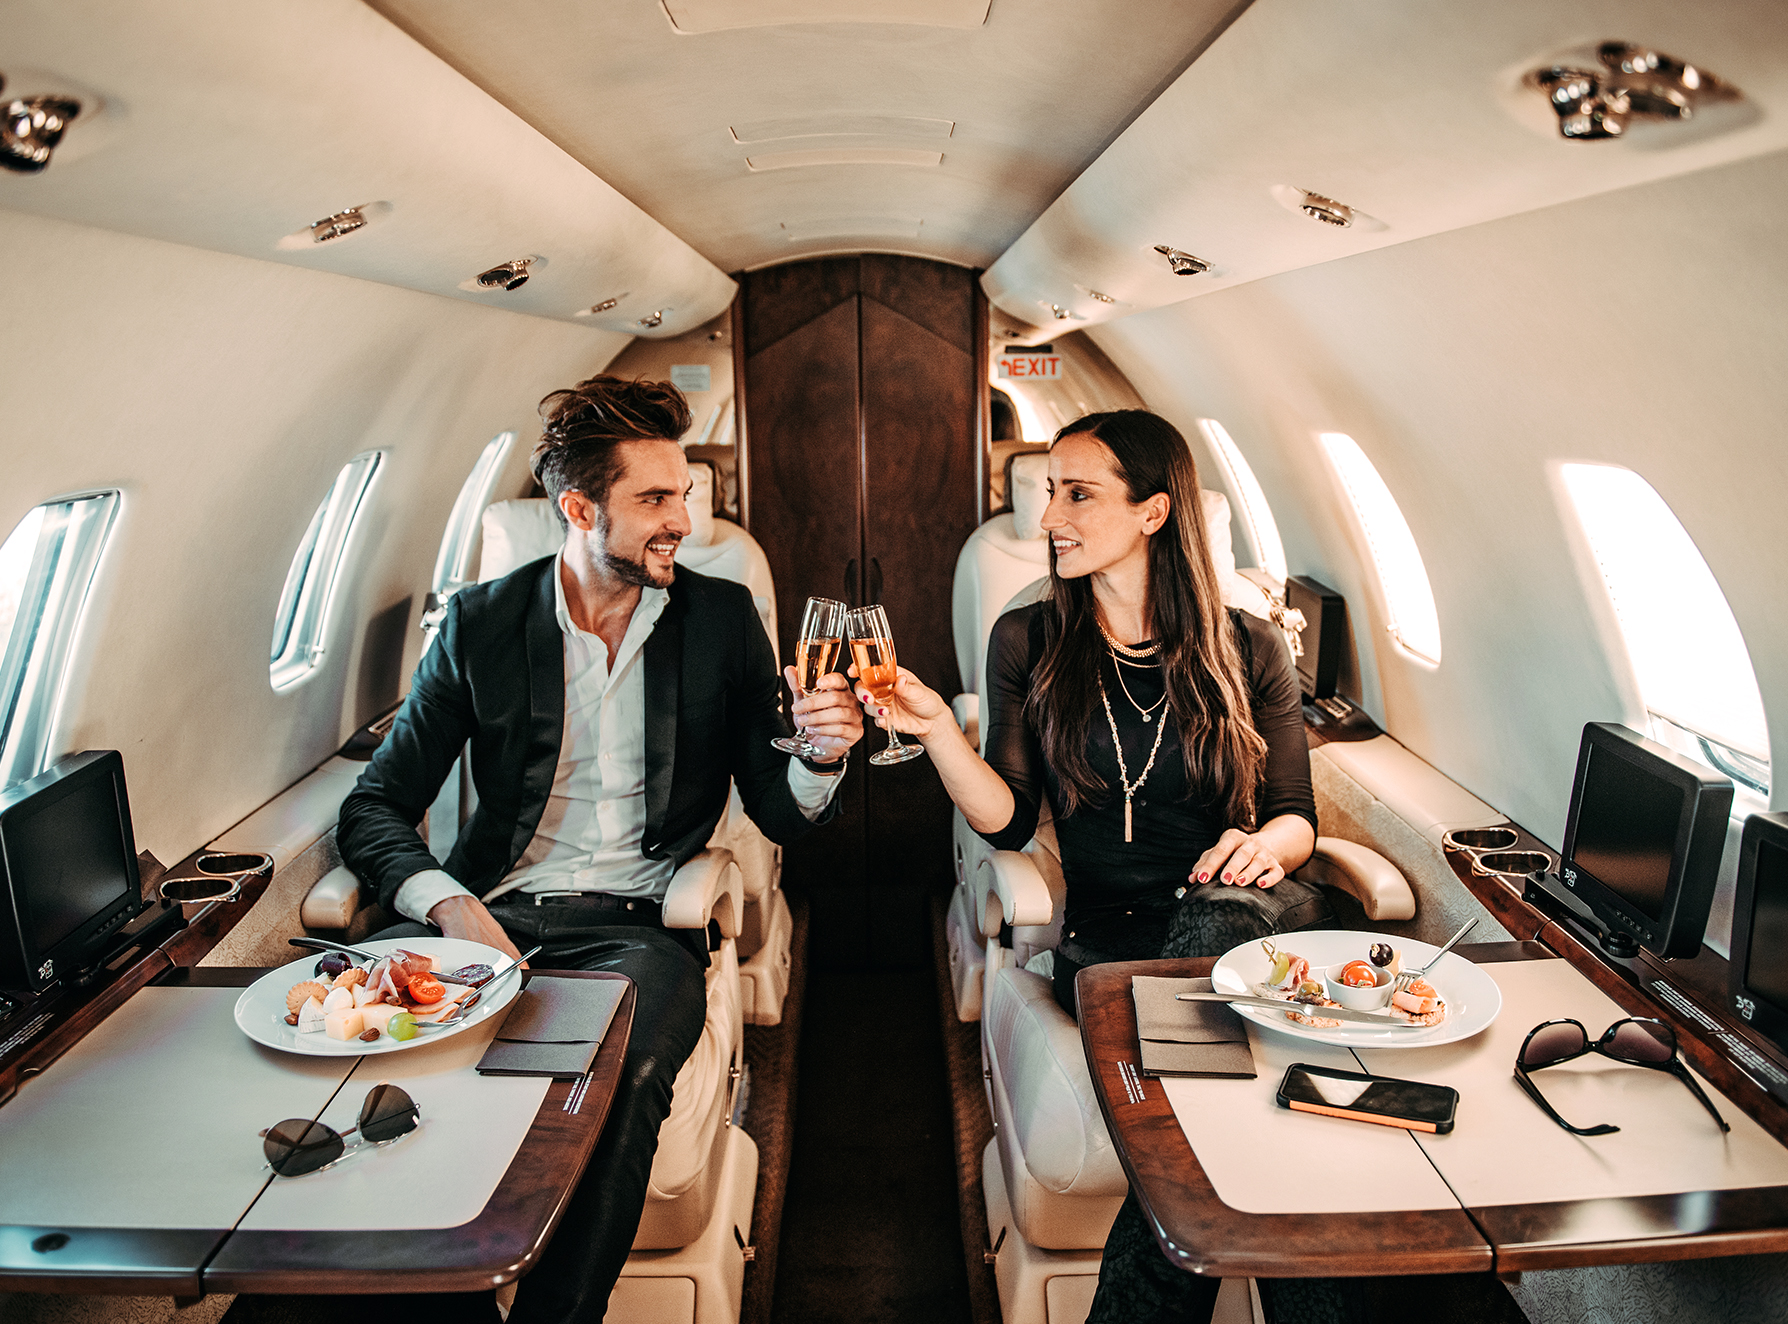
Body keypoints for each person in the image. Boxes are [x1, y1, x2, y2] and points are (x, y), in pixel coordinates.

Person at [337, 374, 864, 1323]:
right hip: (488, 914)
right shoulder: (482, 624)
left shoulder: (722, 621)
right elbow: (374, 807)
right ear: (580, 509)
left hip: (637, 927)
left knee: (618, 1081)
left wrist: (822, 755)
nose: (685, 523)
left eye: (686, 496)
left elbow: (779, 816)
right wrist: (451, 906)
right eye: (655, 501)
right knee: (415, 1104)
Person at [848, 410, 1341, 1324]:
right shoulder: (1027, 640)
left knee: (1220, 906)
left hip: (1254, 924)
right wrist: (932, 736)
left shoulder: (1250, 645)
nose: (1049, 518)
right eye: (1049, 493)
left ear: (1154, 512)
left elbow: (1294, 818)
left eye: (1079, 494)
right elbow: (1008, 822)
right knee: (1259, 1138)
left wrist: (1260, 848)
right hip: (1110, 945)